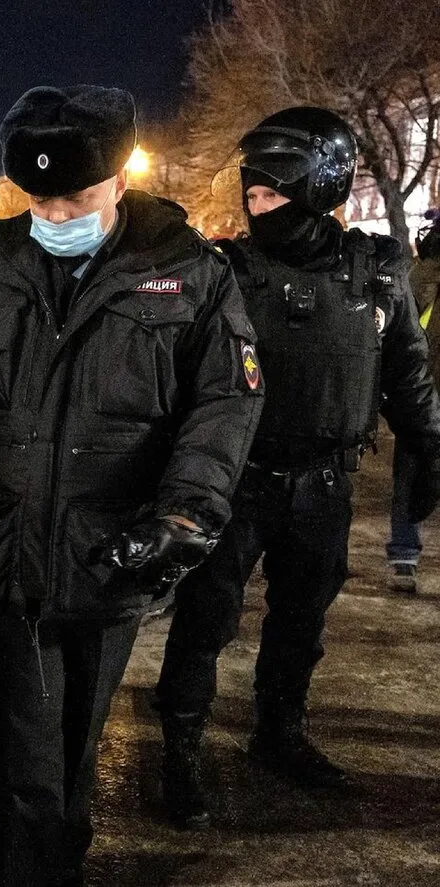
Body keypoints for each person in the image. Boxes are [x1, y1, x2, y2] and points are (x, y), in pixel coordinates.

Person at [0, 85, 264, 886]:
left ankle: (51, 862)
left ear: (120, 179)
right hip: (12, 551)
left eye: (74, 197)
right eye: (38, 199)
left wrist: (186, 508)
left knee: (72, 745)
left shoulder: (188, 272)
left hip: (115, 551)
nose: (55, 214)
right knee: (27, 750)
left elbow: (225, 399)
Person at [155, 107, 440, 828]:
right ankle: (180, 748)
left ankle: (280, 732)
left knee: (301, 620)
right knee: (204, 618)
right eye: (252, 196)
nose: (259, 208)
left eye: (273, 194)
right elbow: (173, 376)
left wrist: (428, 442)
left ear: (322, 188)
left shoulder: (374, 272)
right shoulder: (226, 271)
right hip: (235, 480)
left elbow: (407, 373)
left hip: (322, 482)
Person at [384, 209, 440, 593]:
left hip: (420, 395)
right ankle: (403, 553)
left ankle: (404, 555)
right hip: (422, 394)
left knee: (409, 476)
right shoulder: (421, 277)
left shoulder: (418, 277)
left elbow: (401, 333)